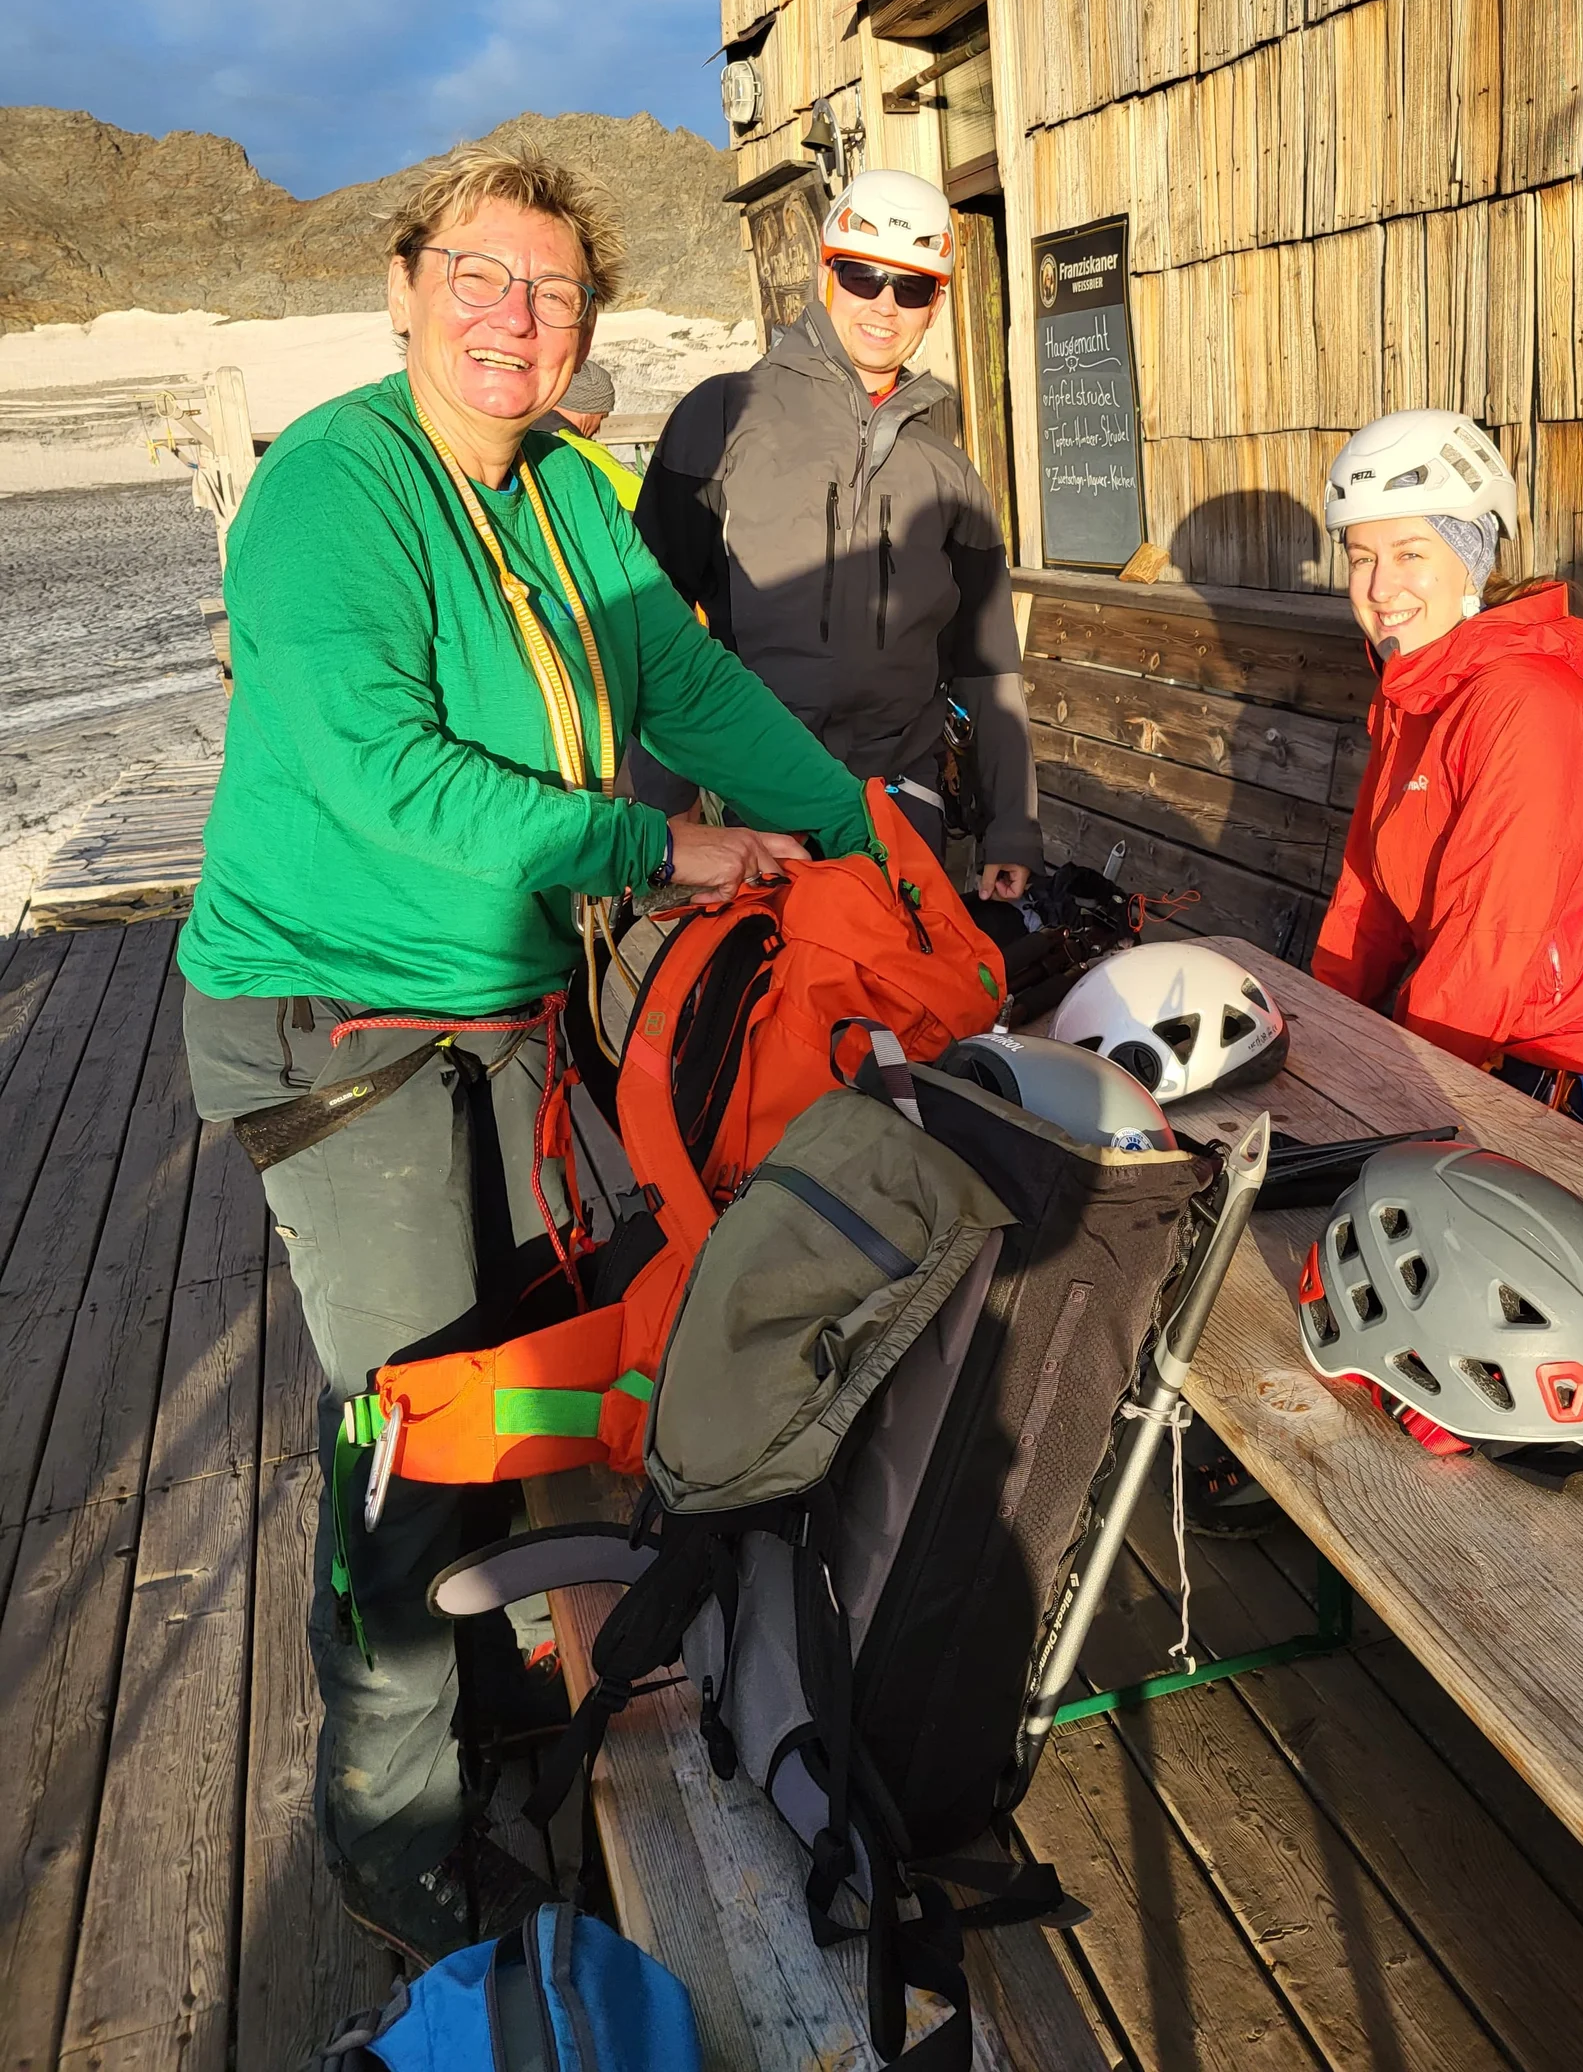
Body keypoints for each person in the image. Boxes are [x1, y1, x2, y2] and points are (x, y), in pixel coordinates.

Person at [178, 148, 879, 1965]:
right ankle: (397, 1846)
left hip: (507, 1013)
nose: (516, 317)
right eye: (480, 277)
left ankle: (510, 1712)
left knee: (545, 1364)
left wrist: (871, 837)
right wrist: (664, 849)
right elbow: (382, 779)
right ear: (405, 284)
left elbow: (689, 691)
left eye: (554, 291)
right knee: (425, 1426)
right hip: (337, 1028)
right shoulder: (333, 494)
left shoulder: (569, 487)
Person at [1312, 408, 1583, 1175]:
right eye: (1360, 556)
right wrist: (1318, 1030)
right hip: (1497, 1043)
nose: (1379, 586)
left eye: (1411, 552)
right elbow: (1365, 899)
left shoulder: (1523, 702)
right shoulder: (1414, 692)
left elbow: (1491, 939)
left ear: (1471, 560)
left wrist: (1400, 1099)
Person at [636, 167, 1040, 902]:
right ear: (828, 275)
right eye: (862, 276)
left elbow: (987, 666)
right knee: (768, 1008)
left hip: (902, 803)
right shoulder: (725, 414)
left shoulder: (949, 471)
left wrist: (1010, 824)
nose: (884, 305)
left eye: (911, 287)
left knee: (907, 1007)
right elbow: (647, 621)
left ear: (936, 304)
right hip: (755, 805)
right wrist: (668, 803)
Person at [537, 356, 639, 508]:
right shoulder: (576, 448)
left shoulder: (529, 431)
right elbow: (643, 499)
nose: (597, 429)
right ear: (588, 410)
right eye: (601, 417)